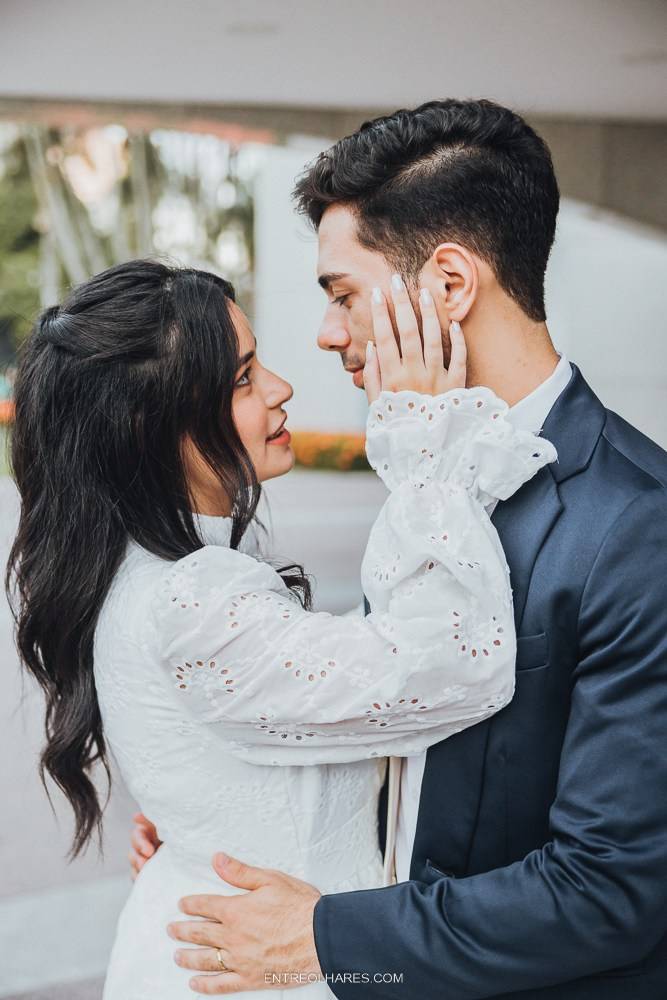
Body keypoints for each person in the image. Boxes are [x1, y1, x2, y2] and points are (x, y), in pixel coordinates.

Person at [162, 99, 667, 998]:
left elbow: (607, 893)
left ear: (448, 285)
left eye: (342, 294)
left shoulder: (639, 527)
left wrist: (324, 939)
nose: (324, 334)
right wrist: (228, 816)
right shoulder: (427, 477)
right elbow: (396, 729)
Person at [6, 257, 554, 1000]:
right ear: (149, 426)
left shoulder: (139, 565)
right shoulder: (193, 598)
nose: (280, 389)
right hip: (273, 970)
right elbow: (455, 663)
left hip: (229, 941)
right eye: (242, 379)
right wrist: (424, 439)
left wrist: (196, 823)